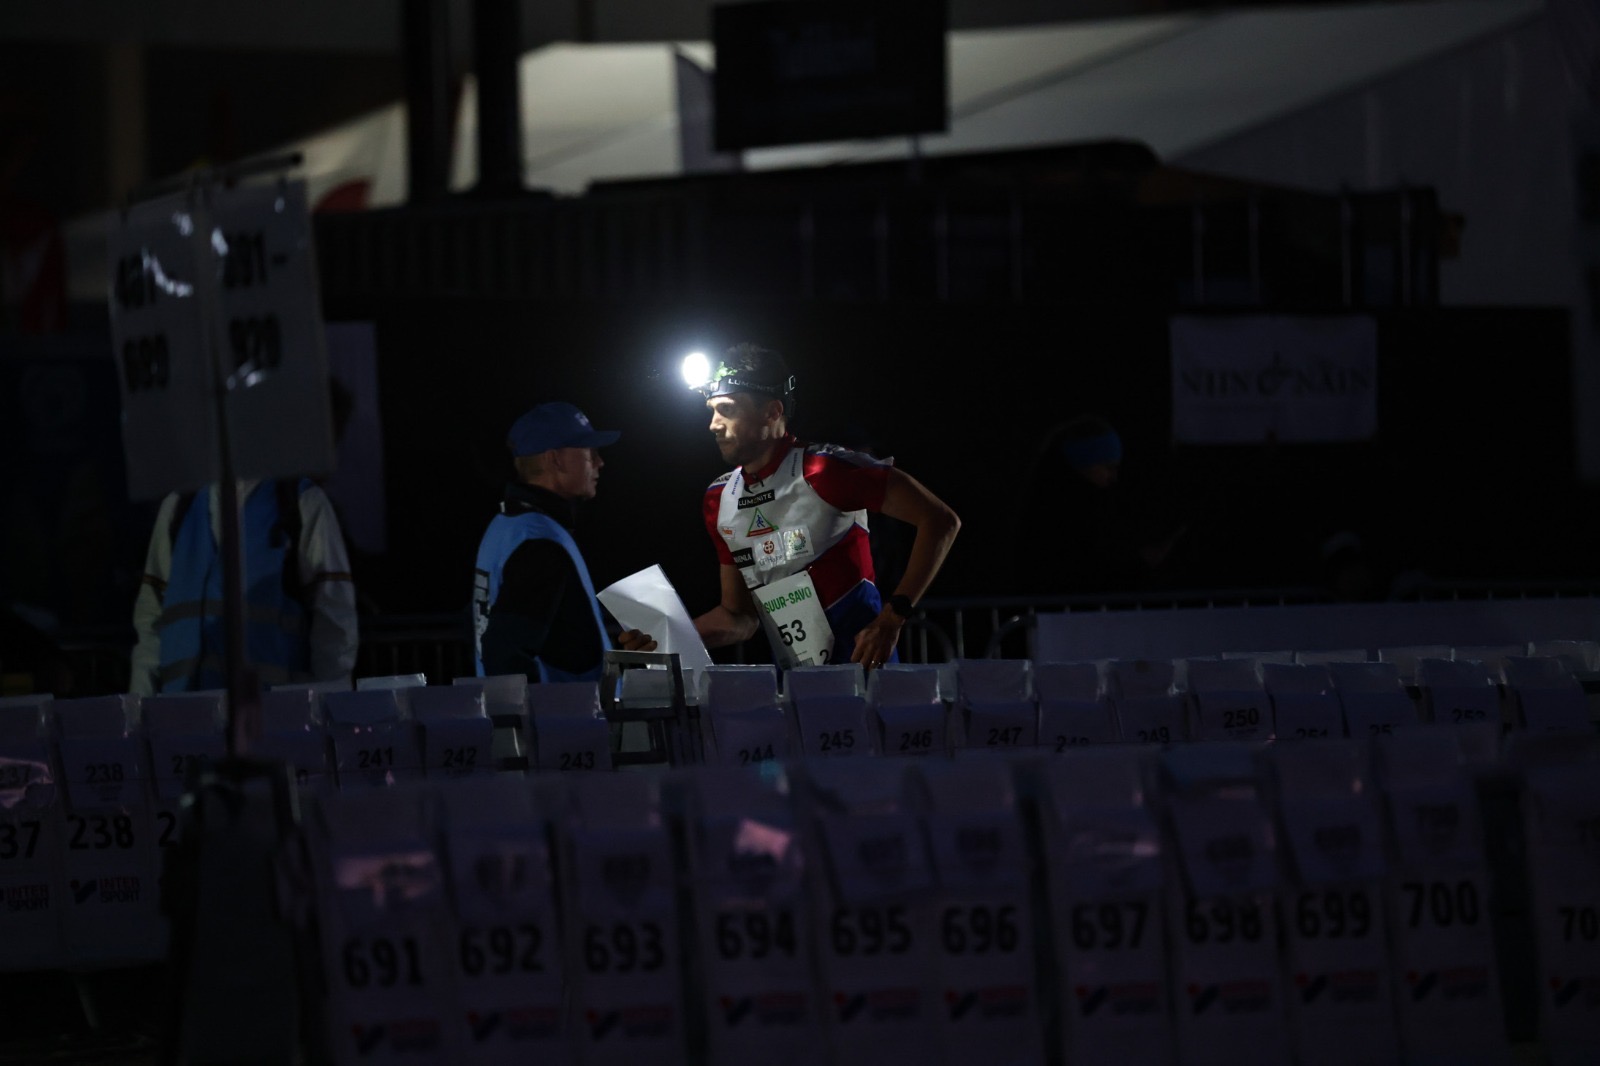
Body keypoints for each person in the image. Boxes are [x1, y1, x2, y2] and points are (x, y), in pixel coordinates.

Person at [662, 342, 960, 671]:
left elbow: (941, 520)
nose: (714, 424)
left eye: (727, 410)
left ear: (772, 412)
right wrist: (666, 638)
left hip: (867, 680)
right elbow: (739, 618)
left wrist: (893, 618)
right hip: (798, 687)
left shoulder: (825, 469)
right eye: (712, 410)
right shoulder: (719, 498)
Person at [473, 401, 654, 683]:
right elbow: (504, 653)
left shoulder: (505, 525)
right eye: (589, 453)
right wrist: (537, 711)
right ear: (555, 459)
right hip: (565, 713)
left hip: (538, 711)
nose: (600, 462)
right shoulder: (539, 540)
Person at [128, 476, 359, 695]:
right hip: (184, 714)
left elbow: (334, 622)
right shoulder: (178, 505)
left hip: (276, 713)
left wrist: (327, 710)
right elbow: (150, 622)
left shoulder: (301, 501)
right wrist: (138, 707)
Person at [1013, 413, 1187, 597]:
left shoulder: (1054, 501)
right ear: (1083, 462)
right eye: (1108, 467)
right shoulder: (1067, 511)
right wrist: (1139, 564)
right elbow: (1085, 571)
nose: (1113, 477)